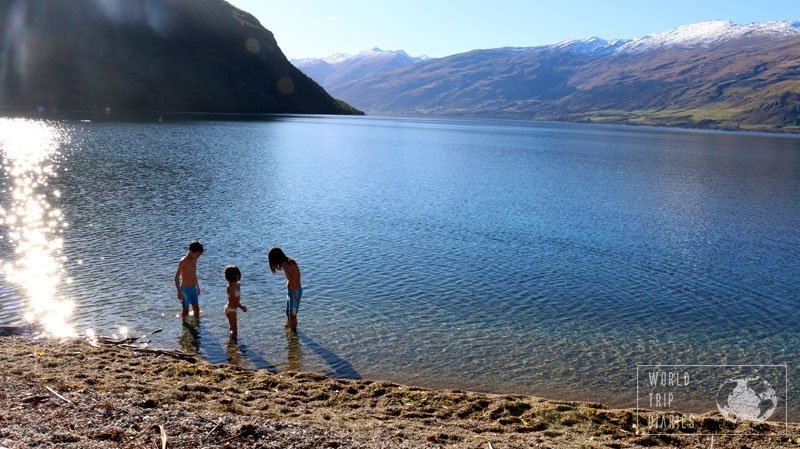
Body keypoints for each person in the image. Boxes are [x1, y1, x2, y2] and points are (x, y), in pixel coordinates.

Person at [268, 247, 302, 332]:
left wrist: (295, 296)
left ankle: (293, 332)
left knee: (293, 314)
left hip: (295, 292)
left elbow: (292, 280)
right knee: (288, 312)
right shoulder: (290, 261)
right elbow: (296, 276)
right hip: (291, 292)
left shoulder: (285, 265)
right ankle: (291, 326)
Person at [174, 240, 203, 319]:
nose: (198, 257)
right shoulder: (183, 261)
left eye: (199, 255)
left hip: (193, 288)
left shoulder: (195, 260)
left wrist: (197, 287)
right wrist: (179, 292)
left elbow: (194, 274)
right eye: (197, 254)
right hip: (185, 290)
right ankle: (185, 326)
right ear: (191, 251)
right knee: (186, 310)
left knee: (196, 309)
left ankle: (197, 326)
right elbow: (176, 277)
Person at [224, 264, 247, 341]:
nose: (239, 276)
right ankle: (233, 343)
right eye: (237, 274)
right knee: (235, 330)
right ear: (235, 276)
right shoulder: (230, 287)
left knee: (232, 327)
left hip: (233, 309)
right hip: (230, 310)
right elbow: (235, 301)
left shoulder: (237, 285)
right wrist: (242, 307)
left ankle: (231, 343)